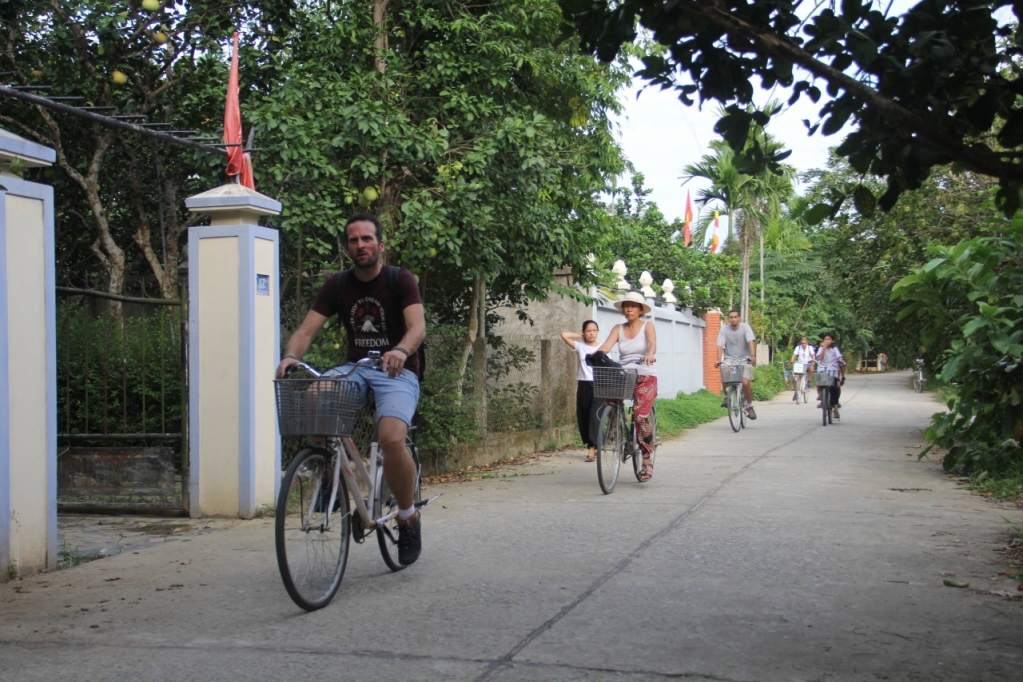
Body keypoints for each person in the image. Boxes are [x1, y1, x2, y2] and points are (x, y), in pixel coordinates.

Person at [276, 213, 427, 566]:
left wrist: (401, 350)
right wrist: (289, 357)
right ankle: (331, 473)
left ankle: (407, 517)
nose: (360, 245)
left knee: (391, 438)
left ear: (380, 245)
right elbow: (306, 331)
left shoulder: (398, 279)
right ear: (347, 247)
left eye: (367, 239)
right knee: (315, 394)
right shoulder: (338, 285)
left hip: (398, 369)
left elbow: (417, 326)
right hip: (356, 367)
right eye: (353, 241)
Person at [595, 291, 657, 482]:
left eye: (633, 306)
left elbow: (652, 344)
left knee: (640, 416)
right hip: (624, 371)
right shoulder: (618, 328)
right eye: (626, 305)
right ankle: (614, 422)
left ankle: (646, 459)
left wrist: (650, 354)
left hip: (644, 372)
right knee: (609, 392)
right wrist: (598, 354)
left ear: (640, 310)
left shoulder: (648, 326)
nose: (629, 309)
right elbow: (606, 345)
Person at [561, 320, 602, 463]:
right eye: (589, 330)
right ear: (584, 332)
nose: (592, 333)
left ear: (598, 332)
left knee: (594, 416)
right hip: (583, 384)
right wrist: (580, 336)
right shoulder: (580, 346)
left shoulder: (603, 347)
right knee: (583, 415)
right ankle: (593, 445)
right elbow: (564, 335)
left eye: (594, 330)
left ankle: (592, 449)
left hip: (598, 385)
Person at [715, 309, 758, 420]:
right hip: (730, 359)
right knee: (725, 375)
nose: (733, 319)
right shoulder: (724, 330)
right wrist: (718, 360)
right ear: (728, 319)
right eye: (731, 317)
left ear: (739, 318)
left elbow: (750, 342)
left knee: (745, 382)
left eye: (735, 317)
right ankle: (727, 396)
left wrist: (752, 356)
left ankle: (749, 406)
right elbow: (720, 345)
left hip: (744, 359)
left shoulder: (745, 327)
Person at [816, 332, 846, 419]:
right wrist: (823, 348)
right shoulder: (821, 348)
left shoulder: (835, 349)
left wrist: (841, 361)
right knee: (819, 384)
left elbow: (839, 357)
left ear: (832, 341)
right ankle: (822, 398)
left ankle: (836, 409)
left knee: (835, 387)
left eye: (829, 339)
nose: (827, 341)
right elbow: (820, 358)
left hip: (833, 370)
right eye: (825, 339)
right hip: (822, 369)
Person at [790, 336, 816, 402]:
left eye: (804, 343)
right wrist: (792, 360)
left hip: (808, 363)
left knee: (811, 369)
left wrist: (813, 361)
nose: (803, 344)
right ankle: (795, 392)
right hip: (800, 364)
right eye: (802, 343)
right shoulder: (798, 348)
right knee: (794, 377)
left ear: (807, 343)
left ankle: (809, 381)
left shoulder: (810, 348)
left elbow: (813, 355)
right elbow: (794, 355)